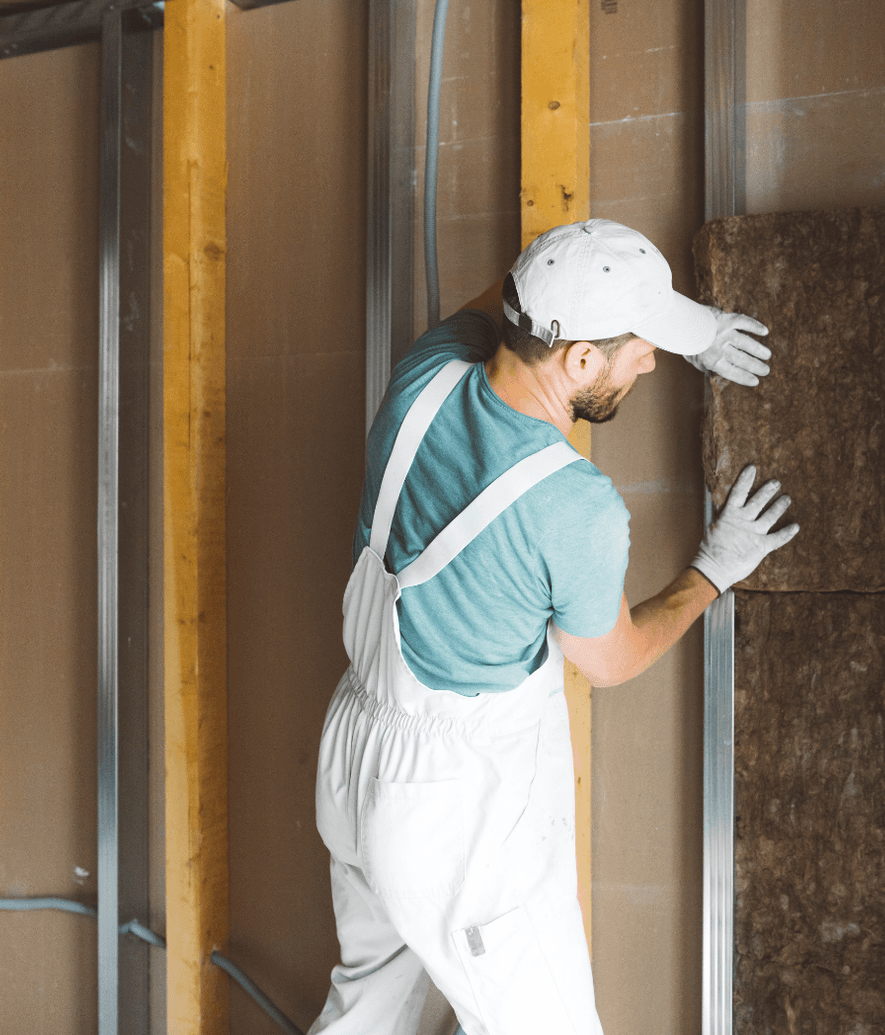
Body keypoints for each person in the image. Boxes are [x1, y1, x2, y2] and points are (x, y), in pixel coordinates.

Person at [310, 218, 798, 1035]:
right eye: (642, 348)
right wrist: (713, 570)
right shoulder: (572, 506)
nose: (651, 361)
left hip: (353, 761)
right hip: (451, 812)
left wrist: (693, 331)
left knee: (365, 1017)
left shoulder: (425, 373)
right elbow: (611, 659)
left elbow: (509, 293)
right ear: (578, 360)